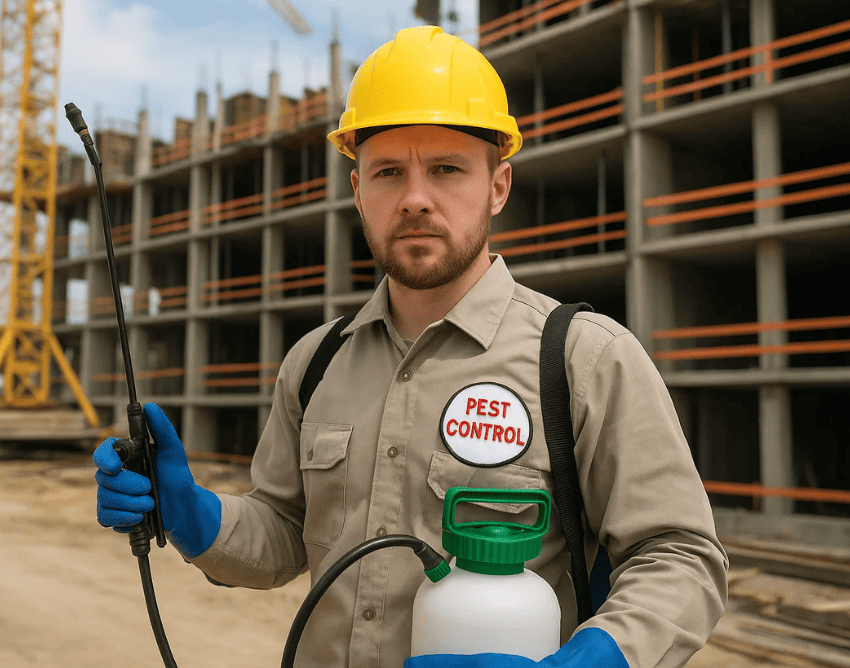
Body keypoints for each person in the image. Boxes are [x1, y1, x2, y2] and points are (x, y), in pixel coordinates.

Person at [95, 25, 728, 668]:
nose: (415, 199)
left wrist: (589, 662)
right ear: (357, 191)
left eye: (447, 169)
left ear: (498, 186)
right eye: (389, 172)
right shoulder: (316, 363)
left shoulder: (582, 360)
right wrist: (194, 515)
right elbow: (285, 533)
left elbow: (681, 556)